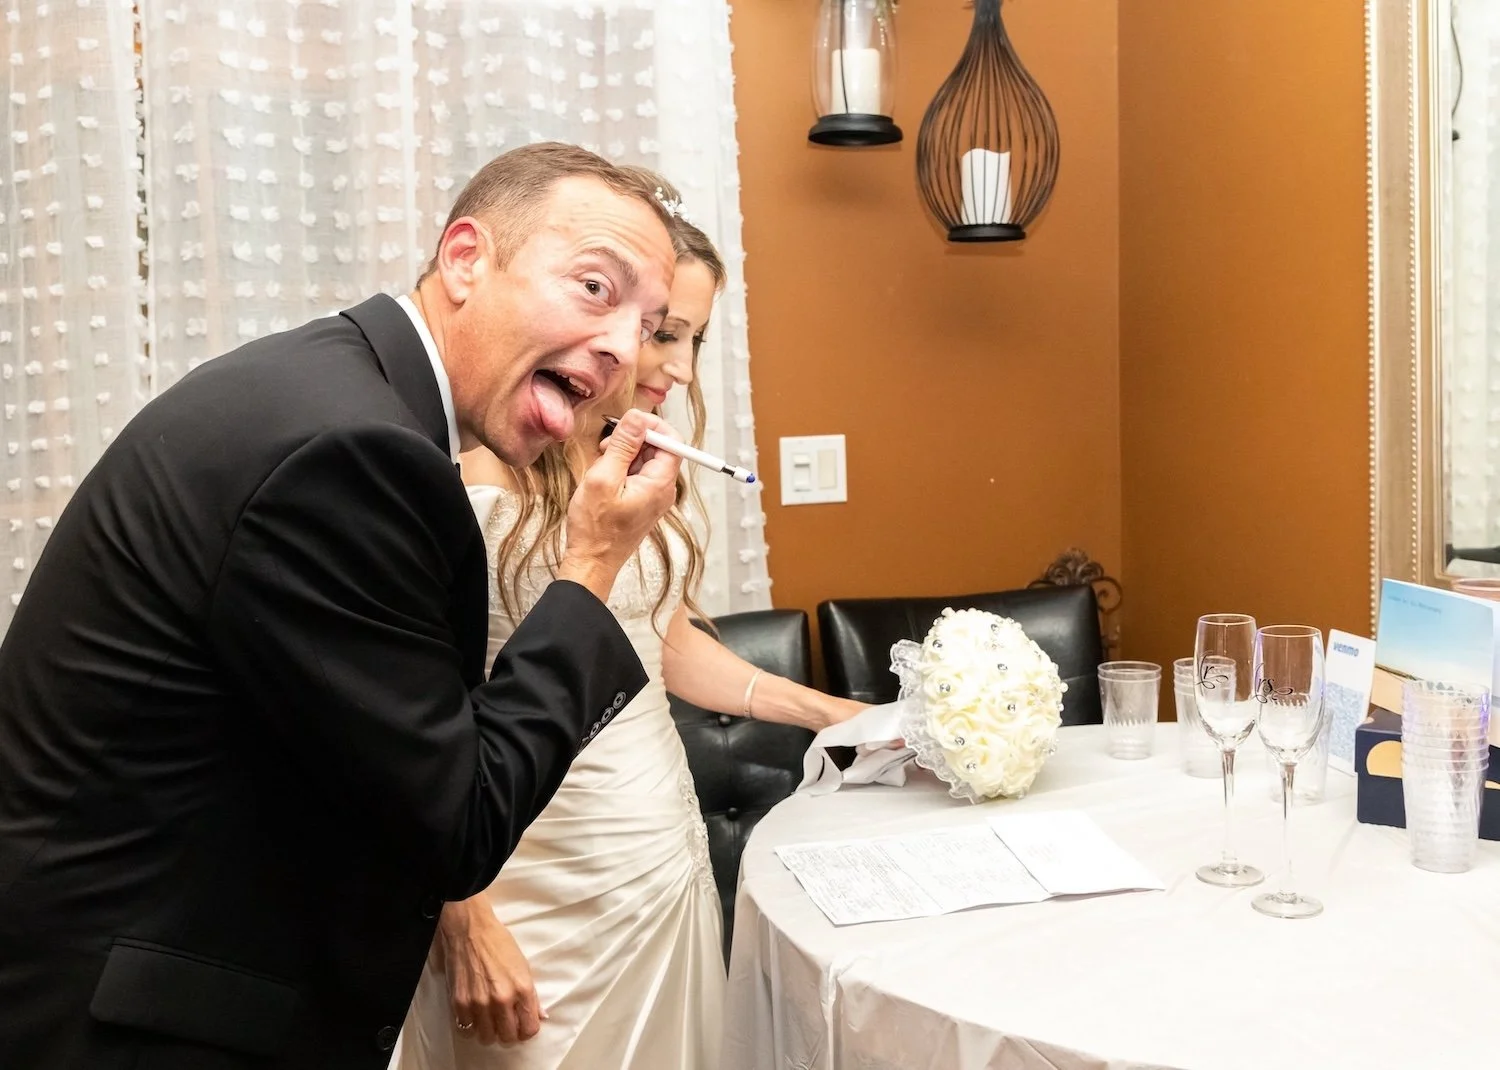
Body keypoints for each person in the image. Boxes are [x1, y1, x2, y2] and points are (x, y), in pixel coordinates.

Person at [0, 143, 686, 1070]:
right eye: (597, 288)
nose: (622, 352)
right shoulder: (353, 451)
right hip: (150, 1020)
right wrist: (591, 566)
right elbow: (458, 823)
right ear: (466, 258)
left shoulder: (334, 387)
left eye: (649, 325)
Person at [396, 177, 865, 1070]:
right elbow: (406, 730)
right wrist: (462, 916)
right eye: (666, 334)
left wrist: (829, 714)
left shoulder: (622, 460)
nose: (679, 369)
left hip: (655, 857)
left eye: (689, 337)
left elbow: (658, 640)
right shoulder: (475, 475)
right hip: (531, 881)